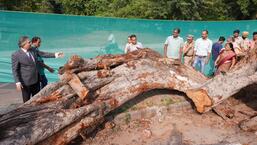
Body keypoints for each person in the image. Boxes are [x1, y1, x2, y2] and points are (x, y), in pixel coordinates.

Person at [11, 36, 40, 103]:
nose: (30, 43)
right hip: (26, 83)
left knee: (37, 100)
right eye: (29, 42)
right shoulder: (16, 55)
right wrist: (17, 82)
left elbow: (43, 54)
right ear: (23, 44)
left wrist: (55, 55)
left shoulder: (33, 50)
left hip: (36, 80)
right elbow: (15, 69)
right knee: (27, 101)